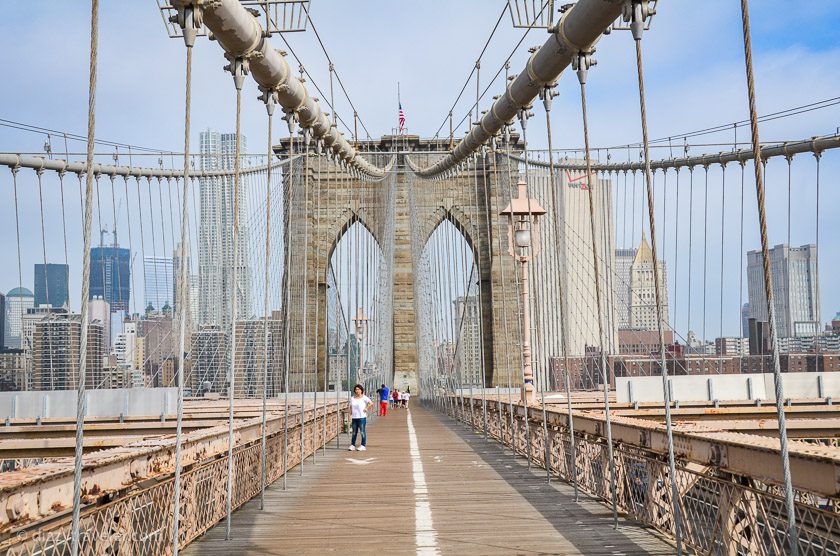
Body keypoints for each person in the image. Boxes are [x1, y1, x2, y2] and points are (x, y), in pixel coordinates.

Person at [348, 384, 373, 451]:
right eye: (356, 389)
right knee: (354, 432)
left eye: (358, 389)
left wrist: (366, 408)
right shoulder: (352, 398)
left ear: (361, 390)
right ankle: (352, 445)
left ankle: (363, 445)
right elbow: (351, 407)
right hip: (354, 417)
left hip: (362, 417)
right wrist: (350, 416)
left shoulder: (364, 397)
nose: (357, 391)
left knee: (362, 432)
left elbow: (371, 403)